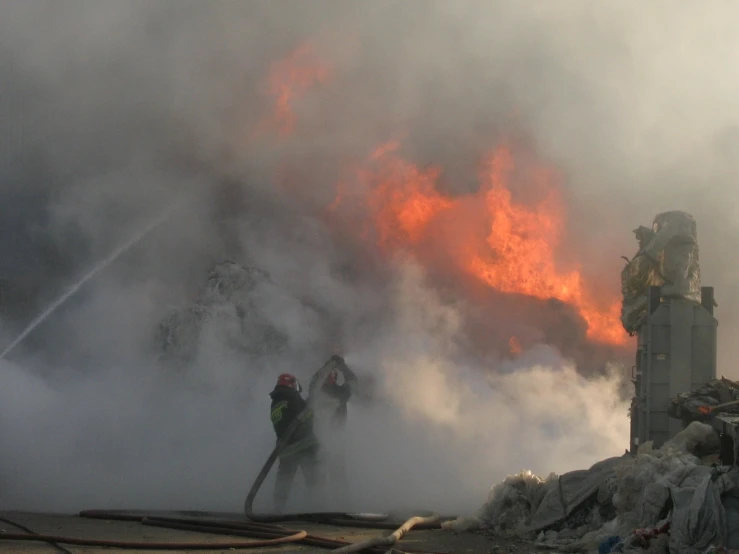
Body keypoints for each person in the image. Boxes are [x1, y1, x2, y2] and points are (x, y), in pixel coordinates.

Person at [269, 373, 321, 513]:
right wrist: (310, 405)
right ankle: (318, 508)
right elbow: (305, 415)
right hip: (304, 444)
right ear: (292, 384)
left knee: (284, 480)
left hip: (285, 449)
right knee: (314, 479)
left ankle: (278, 509)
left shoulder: (276, 402)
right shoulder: (292, 395)